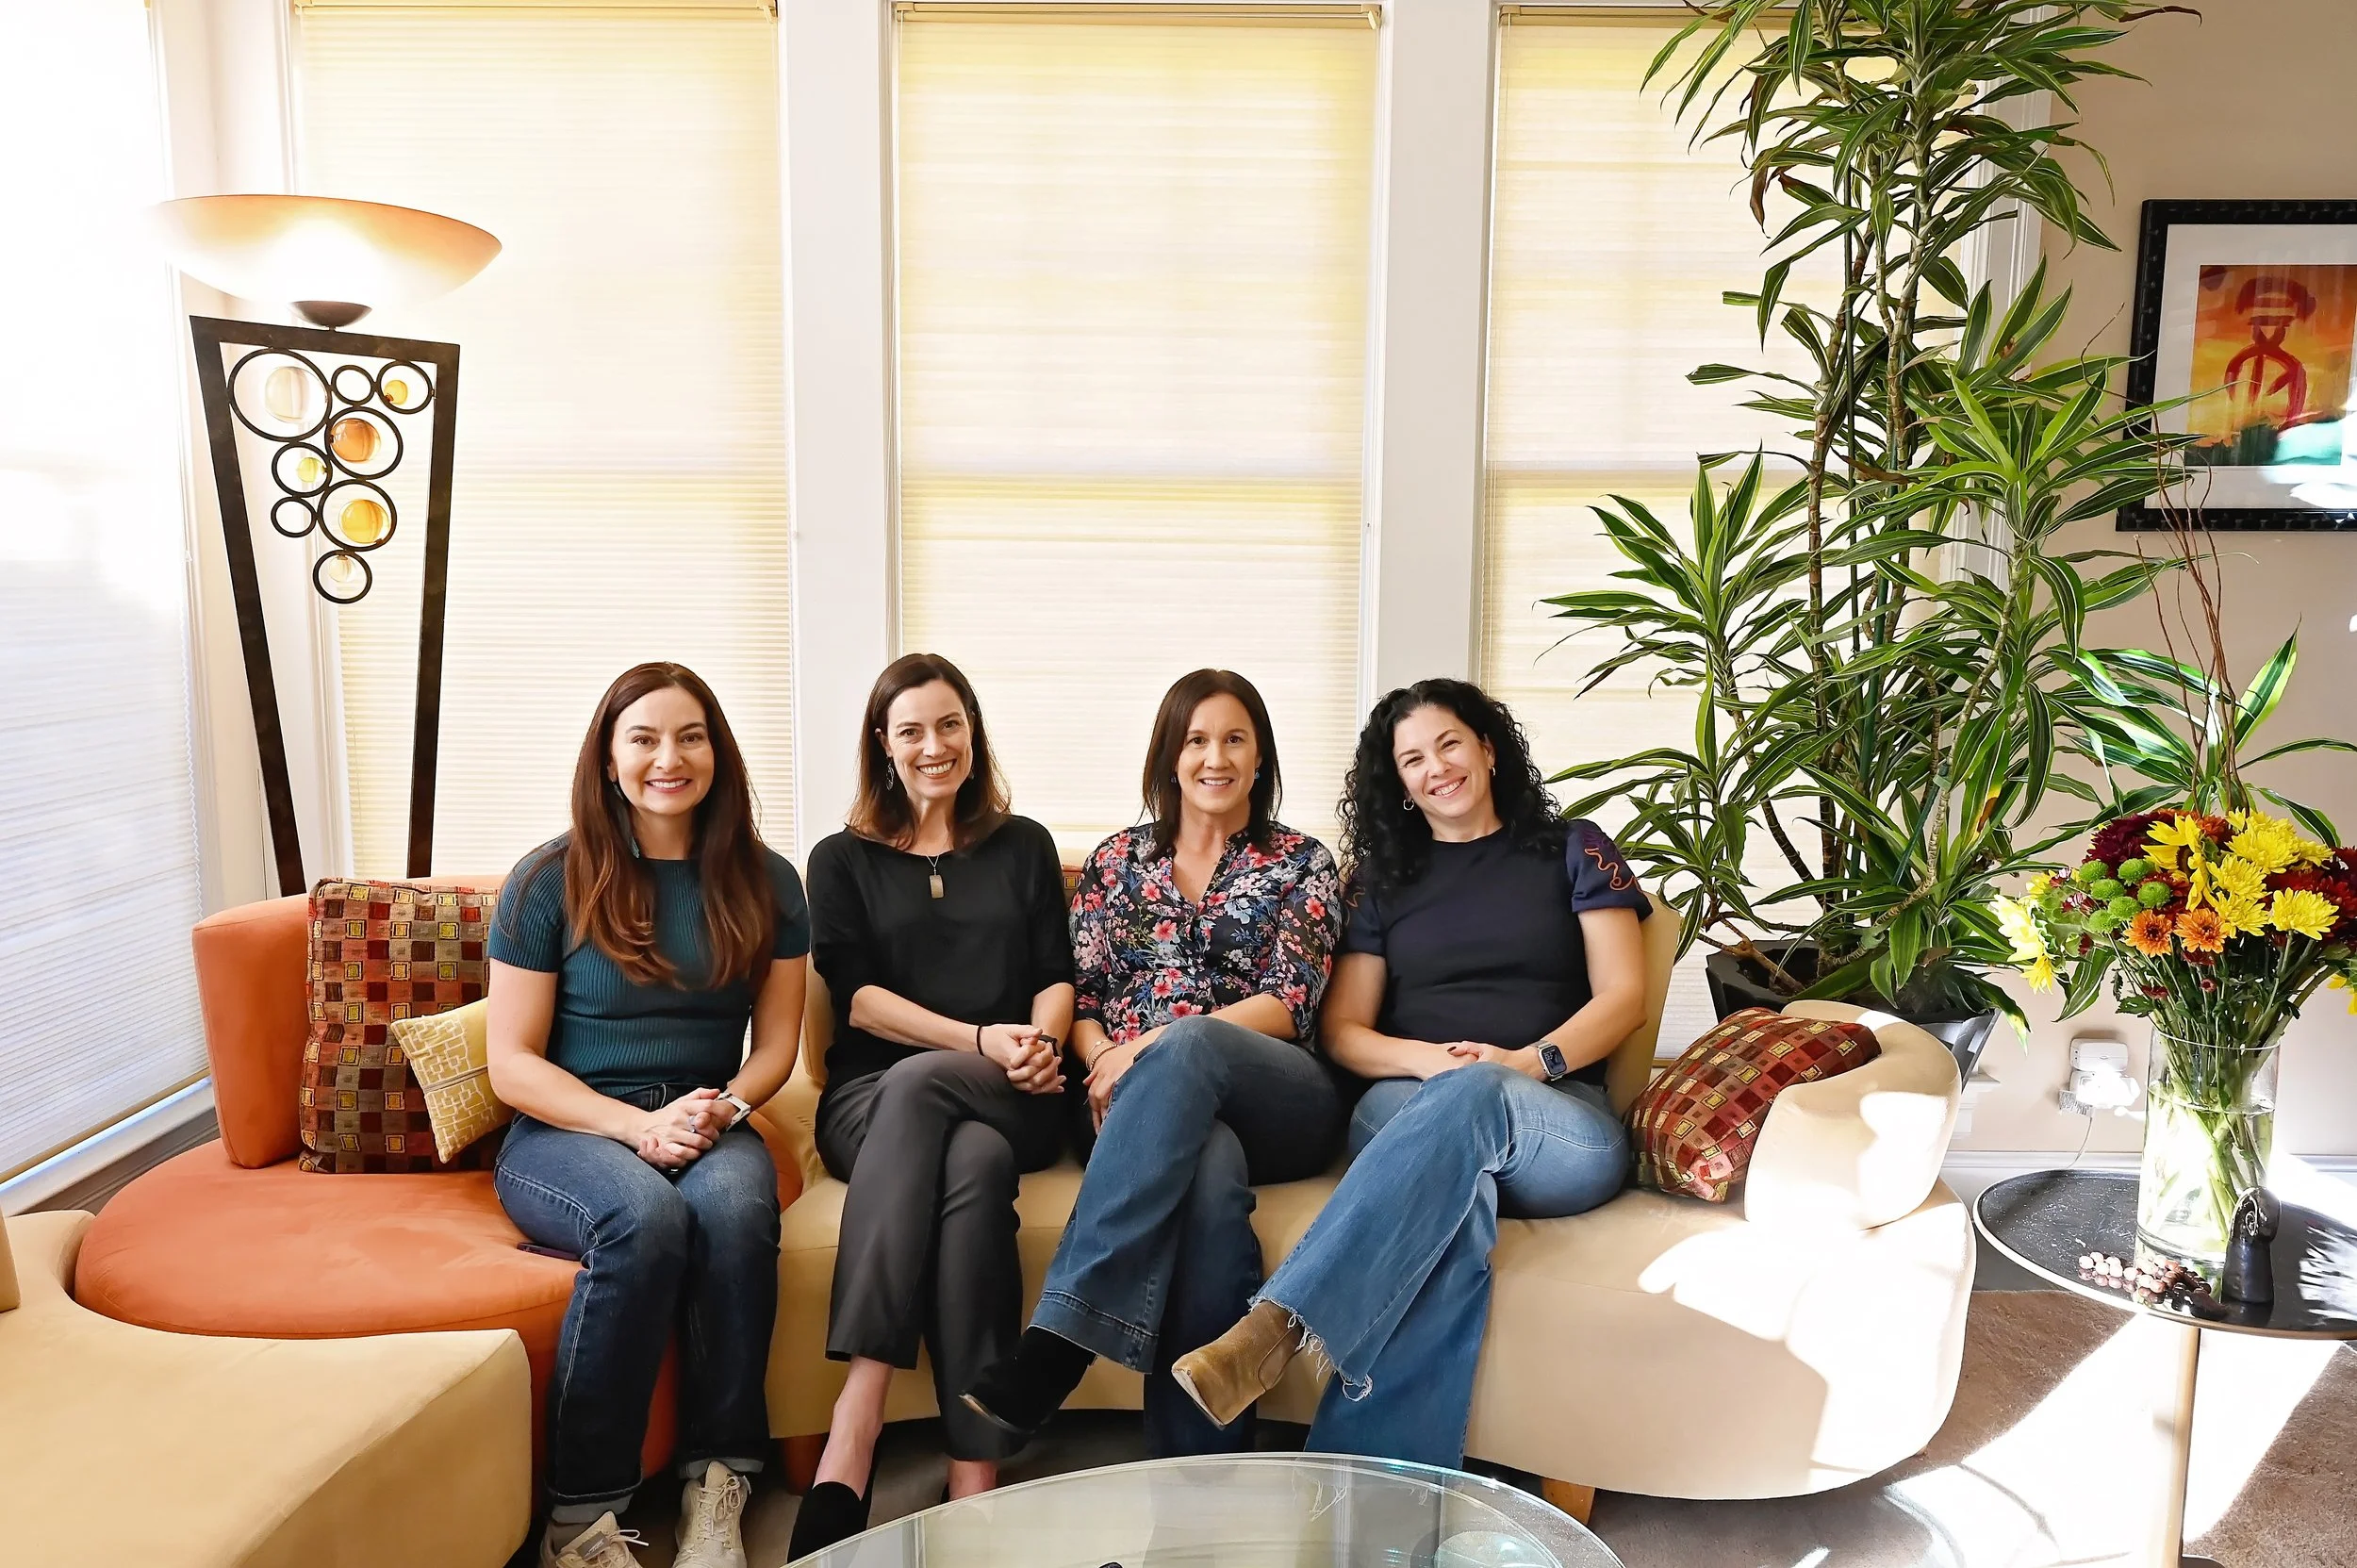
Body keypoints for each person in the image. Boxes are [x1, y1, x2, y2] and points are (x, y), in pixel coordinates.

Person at [1167, 678, 1650, 1468]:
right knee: (1455, 1209)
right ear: (1397, 781)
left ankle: (1283, 1320)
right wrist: (1435, 1065)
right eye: (1412, 759)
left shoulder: (1575, 846)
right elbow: (1345, 1030)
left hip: (1555, 1120)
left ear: (1489, 748)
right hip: (1406, 1106)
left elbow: (1623, 997)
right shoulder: (1383, 881)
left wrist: (1522, 1065)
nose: (1437, 769)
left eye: (1450, 744)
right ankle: (1372, 1497)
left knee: (1480, 1097)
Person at [959, 668, 1345, 1454]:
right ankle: (1199, 1455)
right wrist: (1102, 1055)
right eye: (1196, 739)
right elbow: (1084, 994)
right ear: (1169, 756)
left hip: (1278, 1093)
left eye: (1235, 738)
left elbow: (1288, 1003)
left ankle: (1062, 1341)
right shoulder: (1117, 862)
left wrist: (1143, 1049)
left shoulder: (1302, 862)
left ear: (1261, 756)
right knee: (1205, 1170)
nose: (1216, 756)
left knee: (1193, 1041)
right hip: (1141, 1106)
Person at [487, 662, 808, 1568]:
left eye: (691, 736)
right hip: (567, 1128)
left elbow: (777, 1045)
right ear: (610, 756)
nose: (670, 757)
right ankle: (579, 1520)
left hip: (710, 1114)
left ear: (718, 753)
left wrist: (724, 1109)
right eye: (645, 738)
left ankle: (718, 1485)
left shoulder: (769, 880)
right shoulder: (547, 879)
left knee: (738, 1212)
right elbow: (511, 1063)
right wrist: (635, 1128)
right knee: (645, 1218)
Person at [786, 653, 1075, 1560]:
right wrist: (980, 1038)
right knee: (971, 1160)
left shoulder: (1022, 843)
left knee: (964, 1117)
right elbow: (860, 1001)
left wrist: (1038, 1045)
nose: (933, 745)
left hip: (1010, 1087)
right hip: (875, 1095)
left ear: (972, 731)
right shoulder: (838, 860)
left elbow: (1055, 976)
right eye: (910, 729)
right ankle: (973, 1464)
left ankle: (856, 1414)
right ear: (883, 743)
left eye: (949, 724)